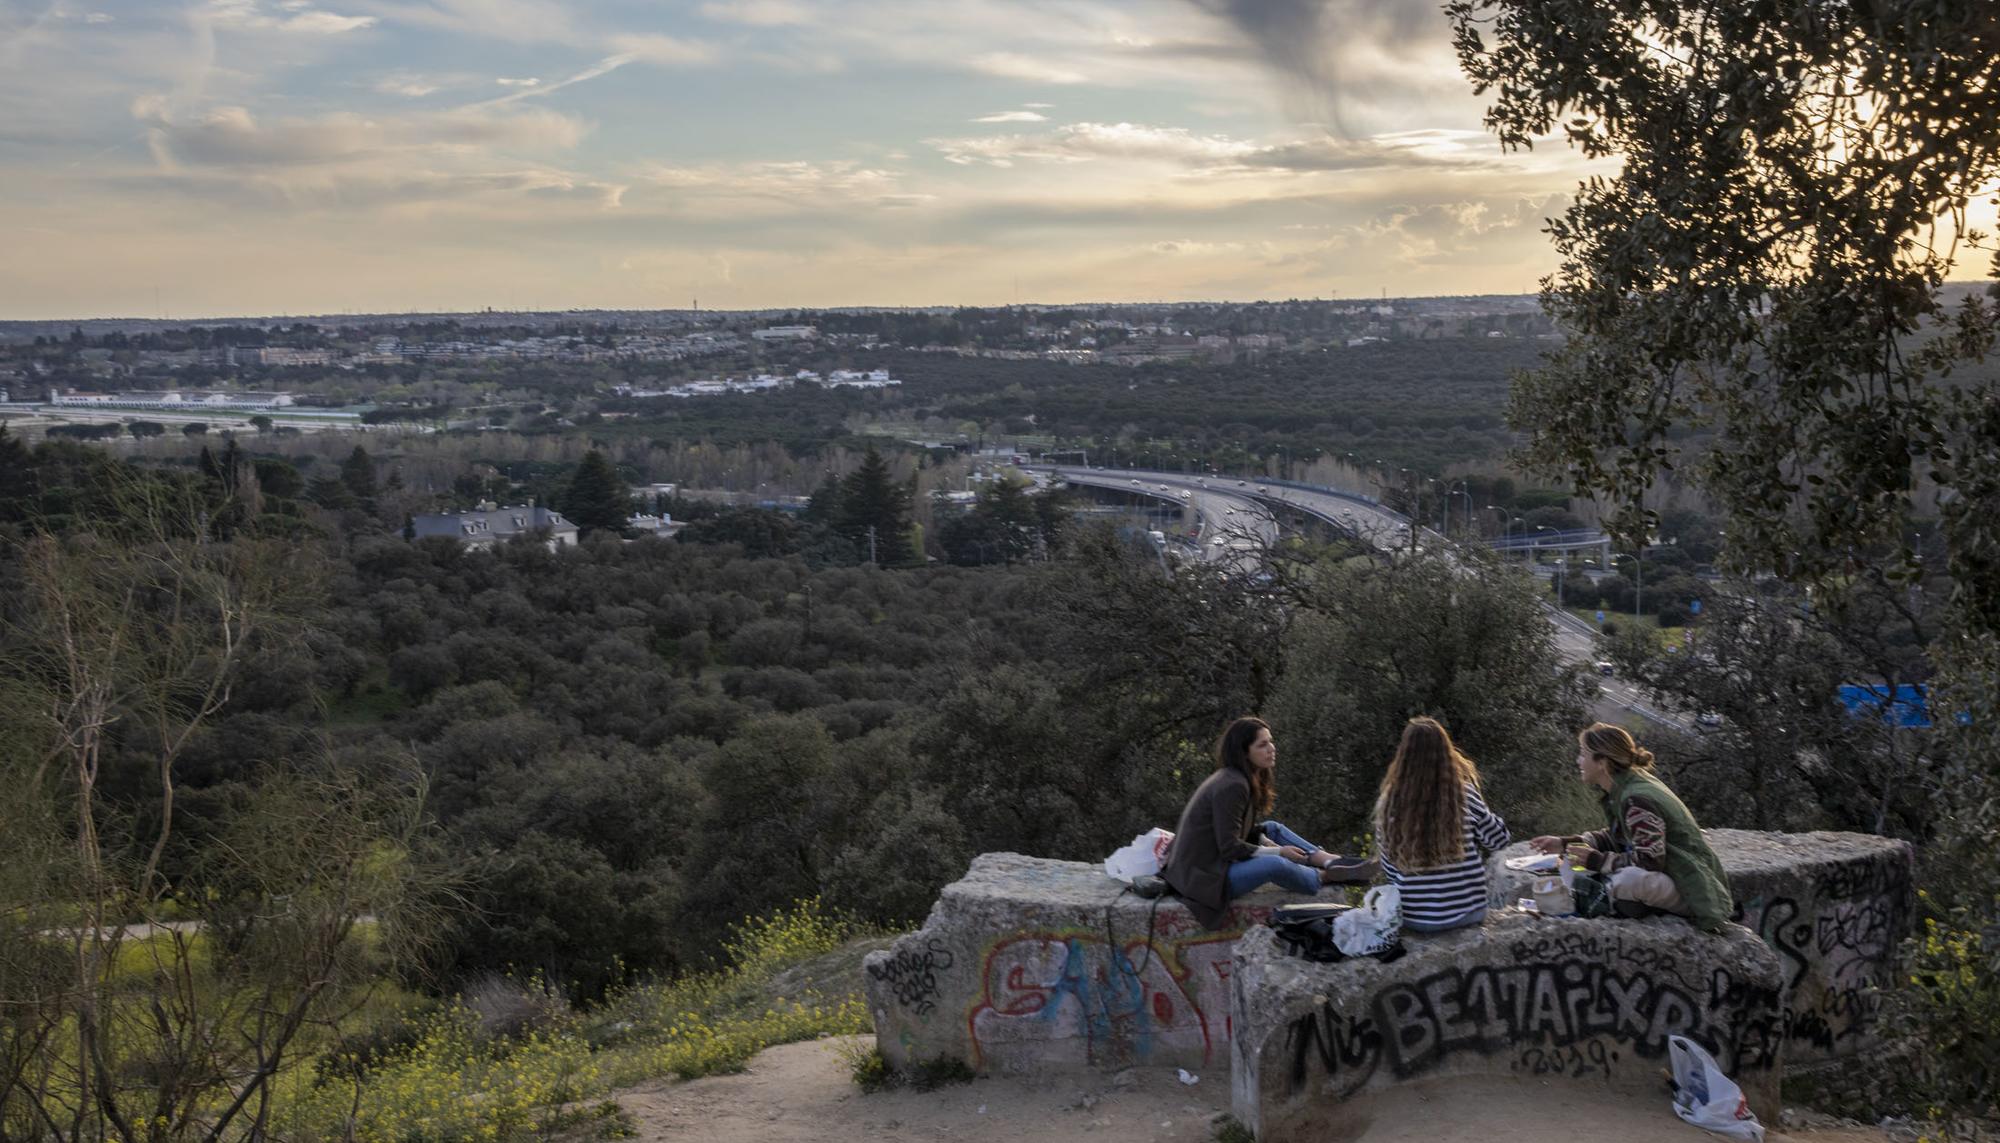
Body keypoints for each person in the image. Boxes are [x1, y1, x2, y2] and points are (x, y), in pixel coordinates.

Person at [1161, 716, 1376, 930]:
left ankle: (1330, 860)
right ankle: (1323, 876)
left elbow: (1236, 832)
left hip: (1208, 865)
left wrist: (1266, 842)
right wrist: (1279, 852)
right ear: (1244, 752)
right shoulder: (1232, 786)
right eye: (1262, 745)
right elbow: (1229, 848)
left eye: (1270, 741)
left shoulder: (1235, 777)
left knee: (1272, 828)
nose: (1271, 748)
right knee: (1275, 865)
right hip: (1205, 879)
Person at [1529, 722, 1732, 932]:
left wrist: (1597, 860)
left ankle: (1595, 904)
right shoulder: (1627, 786)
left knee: (1627, 880)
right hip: (1673, 877)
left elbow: (1649, 860)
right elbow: (1621, 836)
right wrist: (1566, 844)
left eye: (1583, 754)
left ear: (1602, 762)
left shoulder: (1637, 799)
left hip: (1692, 888)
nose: (1578, 760)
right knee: (1570, 863)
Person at [1373, 716, 1512, 932]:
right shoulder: (1463, 794)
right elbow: (1500, 840)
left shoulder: (1389, 803)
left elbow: (1390, 869)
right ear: (1447, 753)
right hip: (1468, 912)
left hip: (1415, 919)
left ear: (1403, 755)